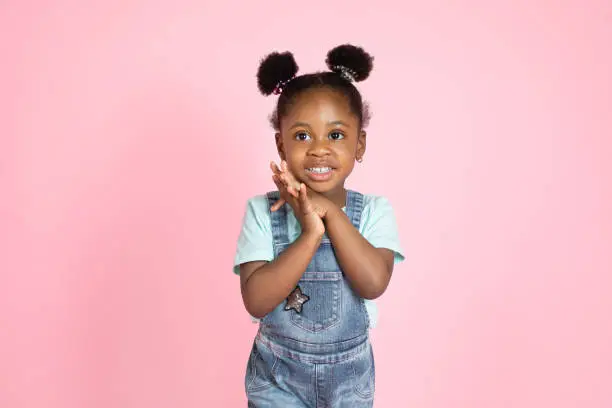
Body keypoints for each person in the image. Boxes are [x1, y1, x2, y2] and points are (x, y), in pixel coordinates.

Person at [233, 43, 405, 407]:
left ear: (360, 144)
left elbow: (373, 283)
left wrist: (327, 210)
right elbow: (257, 301)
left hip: (349, 385)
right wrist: (310, 231)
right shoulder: (262, 212)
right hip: (277, 380)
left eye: (337, 135)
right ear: (281, 146)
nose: (319, 149)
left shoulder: (375, 211)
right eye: (302, 136)